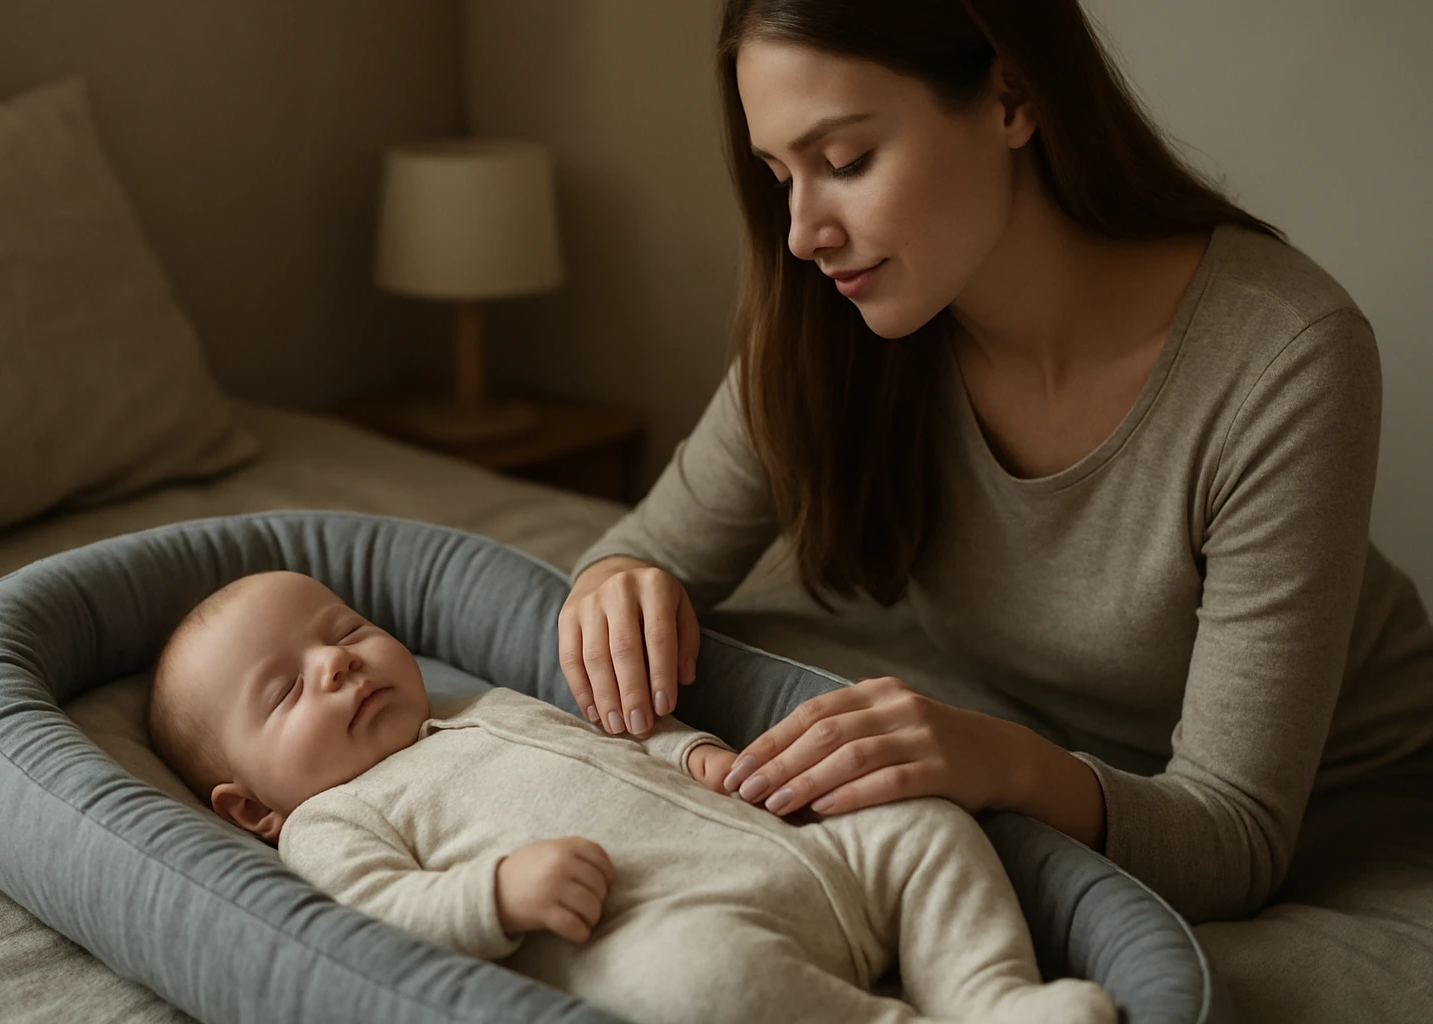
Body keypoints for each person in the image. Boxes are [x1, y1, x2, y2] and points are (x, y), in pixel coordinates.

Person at [557, 2, 1433, 1022]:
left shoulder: (1285, 357)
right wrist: (614, 591)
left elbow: (1235, 834)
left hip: (1345, 808)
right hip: (1059, 737)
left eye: (843, 159)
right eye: (778, 175)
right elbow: (643, 552)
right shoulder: (836, 326)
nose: (802, 232)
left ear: (1012, 96)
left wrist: (1001, 760)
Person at [147, 570, 1116, 1024]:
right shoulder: (326, 821)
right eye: (284, 689)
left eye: (345, 630)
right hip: (671, 924)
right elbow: (383, 913)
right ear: (248, 809)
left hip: (787, 849)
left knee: (921, 822)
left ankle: (987, 996)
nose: (335, 666)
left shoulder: (473, 699)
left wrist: (691, 752)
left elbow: (615, 732)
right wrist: (497, 892)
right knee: (702, 987)